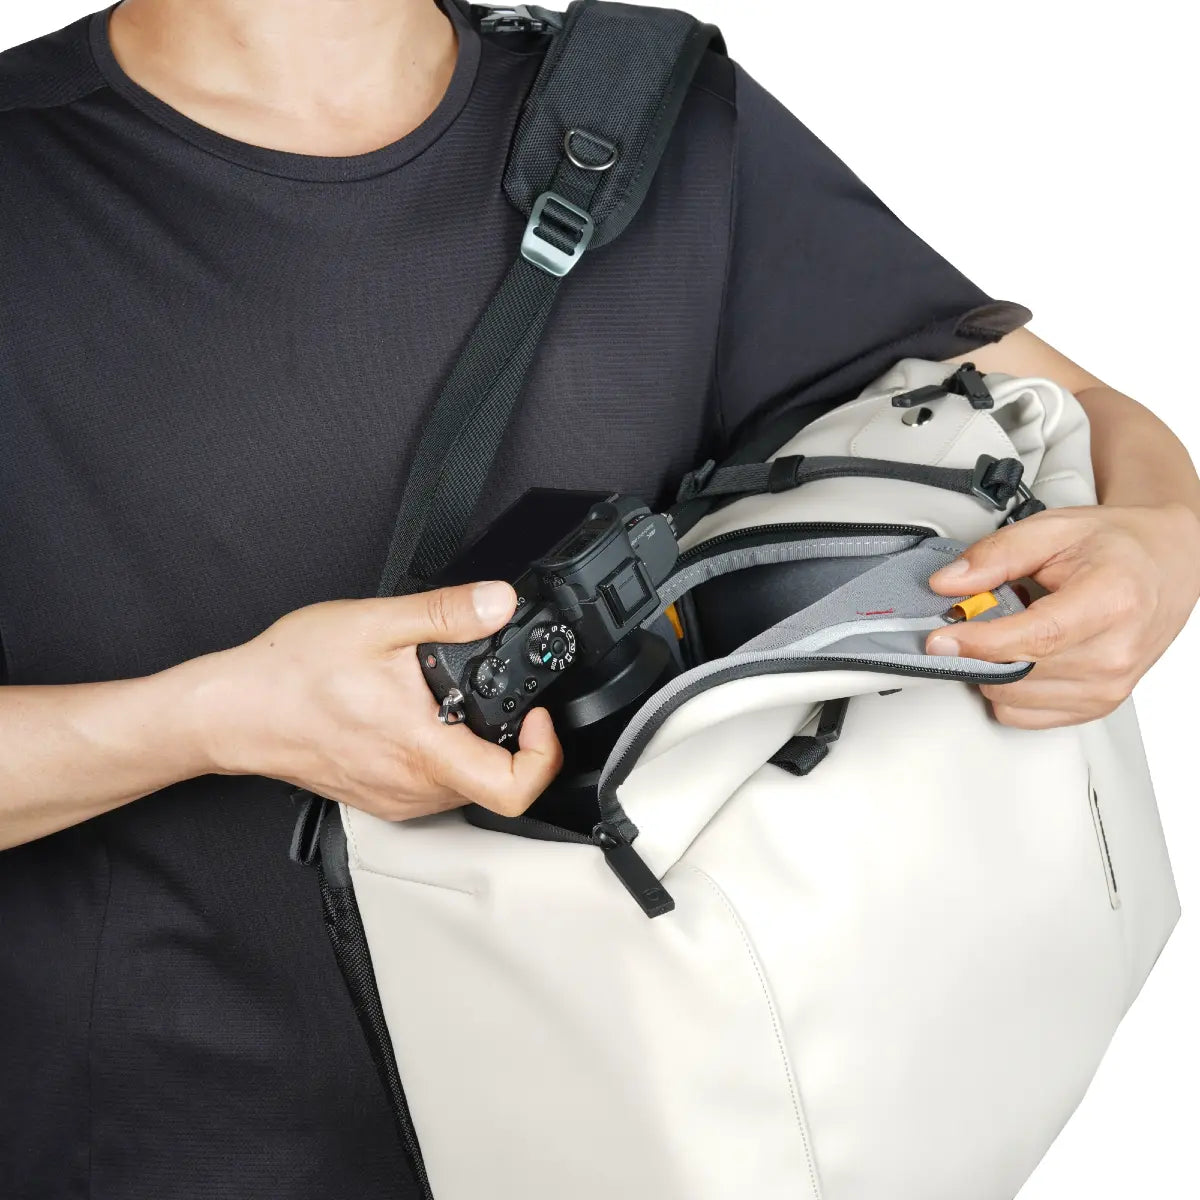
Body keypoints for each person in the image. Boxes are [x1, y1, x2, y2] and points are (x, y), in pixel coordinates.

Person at [1, 1, 1196, 1196]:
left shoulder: (643, 116)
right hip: (152, 1150)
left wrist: (1162, 542)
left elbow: (1077, 416)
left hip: (644, 1134)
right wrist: (213, 719)